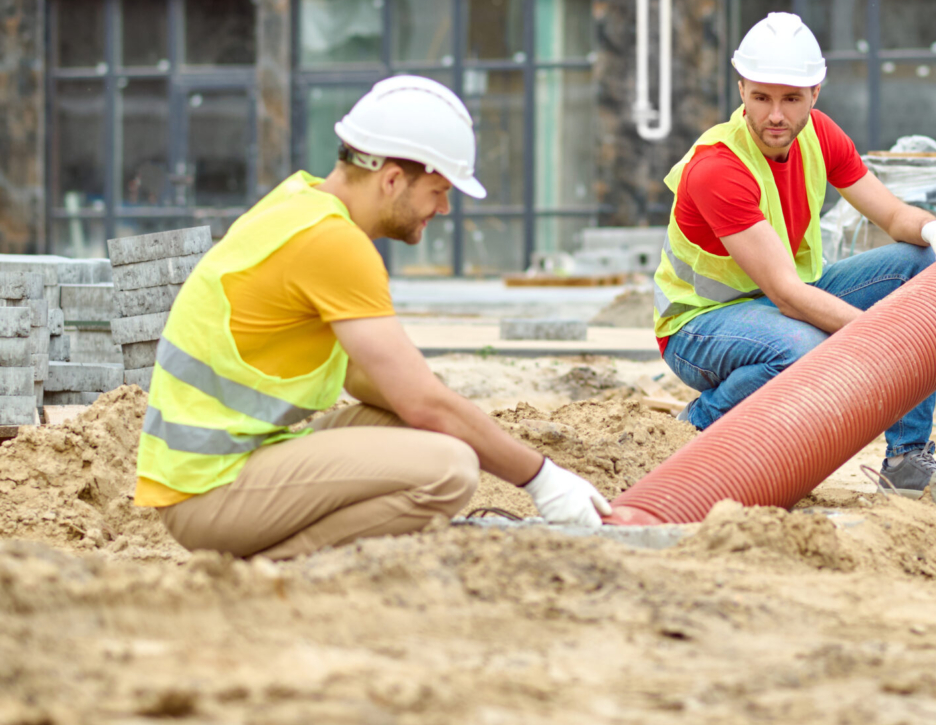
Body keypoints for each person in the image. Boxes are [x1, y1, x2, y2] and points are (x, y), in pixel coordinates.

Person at [134, 75, 611, 559]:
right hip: (209, 492)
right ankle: (275, 564)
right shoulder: (333, 243)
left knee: (426, 429)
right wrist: (544, 479)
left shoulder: (298, 203)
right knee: (449, 469)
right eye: (439, 190)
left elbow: (374, 383)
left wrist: (441, 409)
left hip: (222, 469)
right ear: (391, 180)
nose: (444, 208)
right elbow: (426, 403)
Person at [654, 12, 936, 495]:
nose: (775, 115)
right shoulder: (718, 167)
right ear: (741, 91)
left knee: (919, 264)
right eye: (761, 97)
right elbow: (788, 295)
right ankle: (698, 423)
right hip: (701, 325)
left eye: (791, 99)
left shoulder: (820, 134)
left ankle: (906, 460)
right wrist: (887, 337)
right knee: (806, 351)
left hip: (784, 299)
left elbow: (893, 217)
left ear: (815, 93)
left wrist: (934, 228)